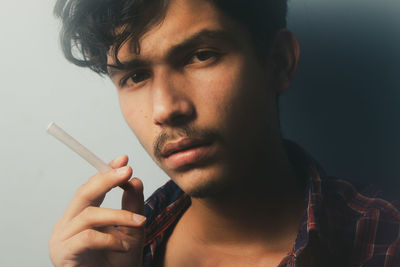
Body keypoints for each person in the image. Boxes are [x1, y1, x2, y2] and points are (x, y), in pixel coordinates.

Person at [49, 0, 400, 266]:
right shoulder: (117, 254)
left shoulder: (384, 240)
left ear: (278, 62)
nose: (165, 109)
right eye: (135, 76)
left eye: (201, 56)